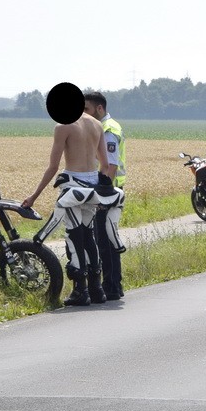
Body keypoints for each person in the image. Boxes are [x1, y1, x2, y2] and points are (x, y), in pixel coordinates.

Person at [23, 110, 112, 306]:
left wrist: (34, 196)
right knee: (89, 234)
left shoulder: (63, 126)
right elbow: (105, 165)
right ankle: (97, 288)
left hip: (72, 186)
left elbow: (53, 167)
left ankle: (81, 290)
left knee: (75, 237)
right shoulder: (96, 124)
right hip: (93, 185)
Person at [83, 92, 127, 301]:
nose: (84, 114)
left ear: (99, 109)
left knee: (106, 242)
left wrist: (103, 196)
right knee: (108, 239)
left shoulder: (107, 129)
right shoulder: (105, 127)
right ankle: (114, 286)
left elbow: (110, 165)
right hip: (110, 192)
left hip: (108, 193)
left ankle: (111, 287)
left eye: (87, 110)